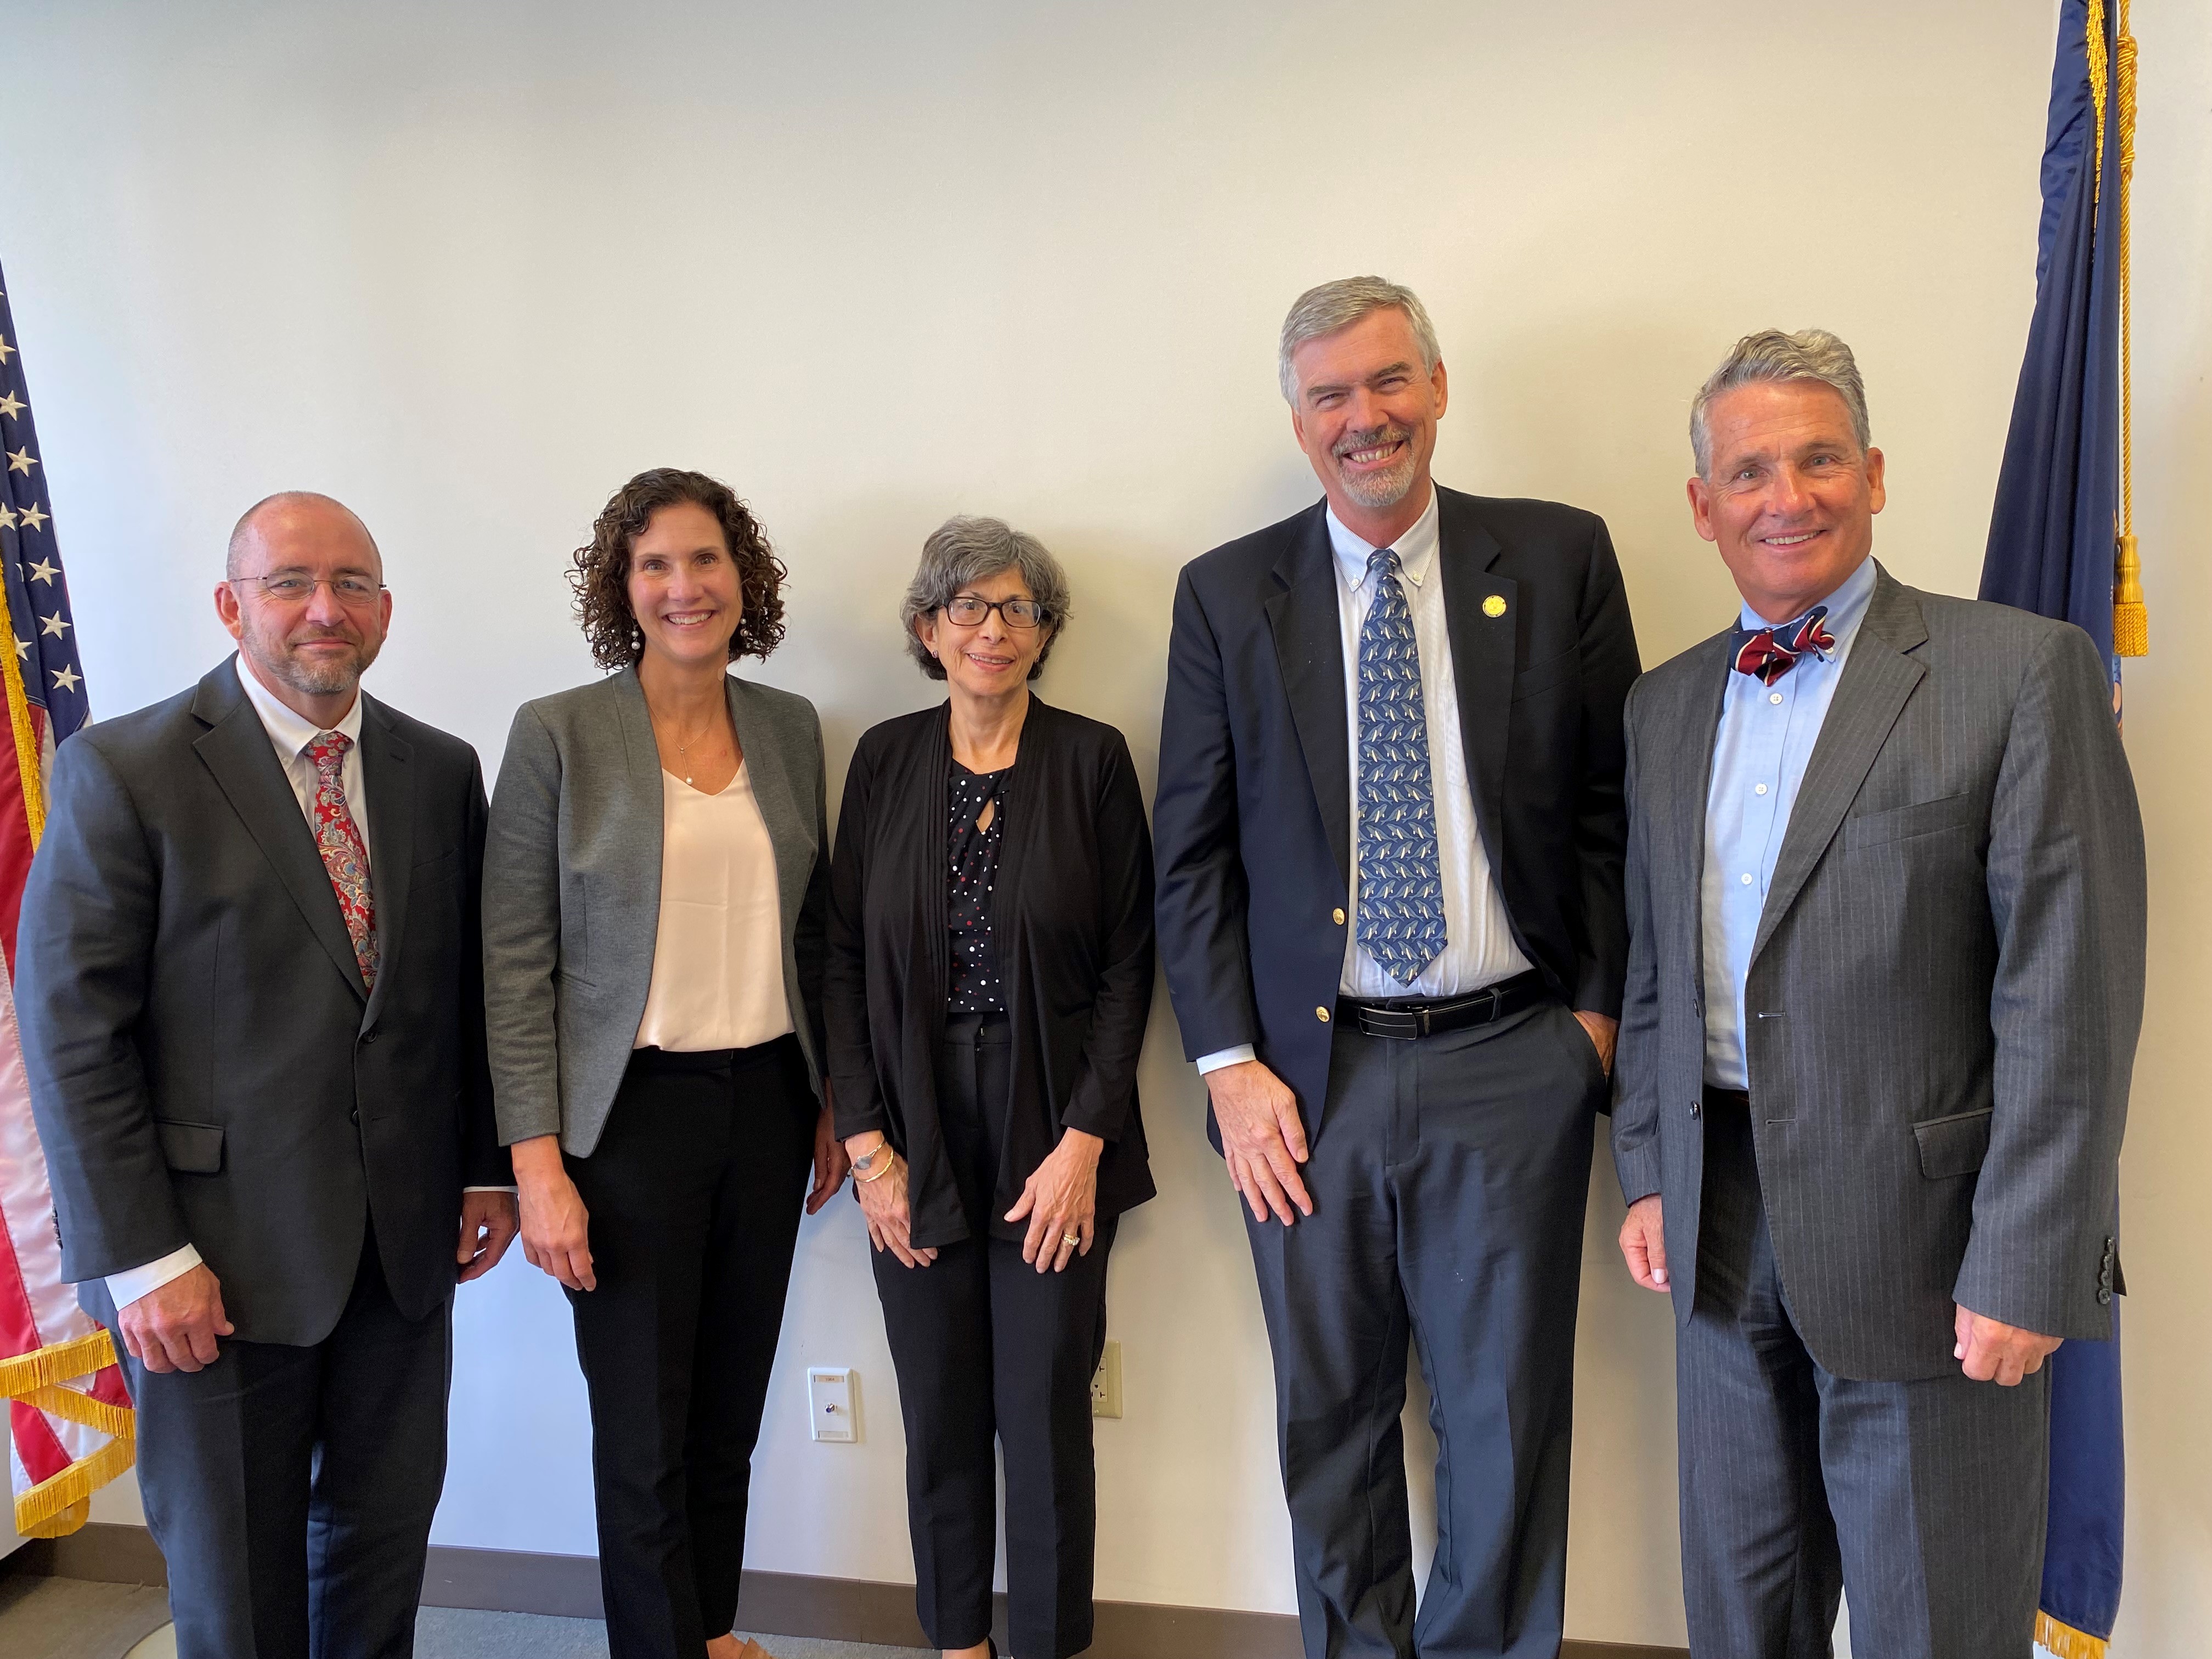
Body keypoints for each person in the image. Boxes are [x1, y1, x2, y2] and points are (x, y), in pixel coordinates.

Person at [1610, 328, 2146, 1659]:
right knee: (1742, 1622)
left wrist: (2029, 1261)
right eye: (1749, 472)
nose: (1785, 496)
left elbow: (2068, 1001)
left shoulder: (2020, 673)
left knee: (1933, 1629)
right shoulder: (1664, 708)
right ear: (1703, 506)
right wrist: (1645, 1168)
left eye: (1819, 459)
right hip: (1718, 1234)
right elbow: (1655, 970)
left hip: (1935, 1250)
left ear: (1877, 475)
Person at [1152, 277, 1641, 1659]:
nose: (1364, 420)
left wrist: (1590, 1026)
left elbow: (1617, 809)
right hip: (1309, 1083)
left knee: (1503, 1416)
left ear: (1436, 386)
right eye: (1330, 397)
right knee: (1333, 1415)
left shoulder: (1556, 559)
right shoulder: (1226, 594)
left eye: (1386, 384)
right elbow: (1189, 856)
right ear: (1298, 421)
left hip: (1513, 1060)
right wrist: (1232, 1069)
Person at [16, 492, 517, 1659]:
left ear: (386, 610)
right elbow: (74, 1037)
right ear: (231, 604)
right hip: (208, 1268)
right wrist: (145, 1260)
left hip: (401, 1259)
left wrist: (486, 1170)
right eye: (290, 582)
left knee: (380, 1556)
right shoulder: (125, 769)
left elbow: (466, 994)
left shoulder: (437, 770)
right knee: (237, 1590)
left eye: (350, 584)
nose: (323, 611)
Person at [482, 468, 848, 1659]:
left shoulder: (788, 727)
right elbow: (515, 961)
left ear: (745, 579)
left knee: (727, 1411)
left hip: (769, 1103)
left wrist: (836, 1100)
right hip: (626, 1124)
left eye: (705, 560)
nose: (684, 587)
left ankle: (713, 1630)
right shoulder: (559, 733)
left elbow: (815, 930)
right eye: (656, 566)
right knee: (643, 1425)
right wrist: (535, 1165)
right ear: (621, 587)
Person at [826, 516, 1155, 1659]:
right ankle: (958, 1643)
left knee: (1047, 1418)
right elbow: (839, 959)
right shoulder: (882, 761)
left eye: (1017, 608)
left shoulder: (1093, 760)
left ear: (1045, 632)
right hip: (914, 1121)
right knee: (941, 1417)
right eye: (967, 606)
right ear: (928, 628)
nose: (992, 629)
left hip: (1052, 1117)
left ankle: (1052, 1645)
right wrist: (867, 1145)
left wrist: (1085, 1144)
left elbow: (1129, 966)